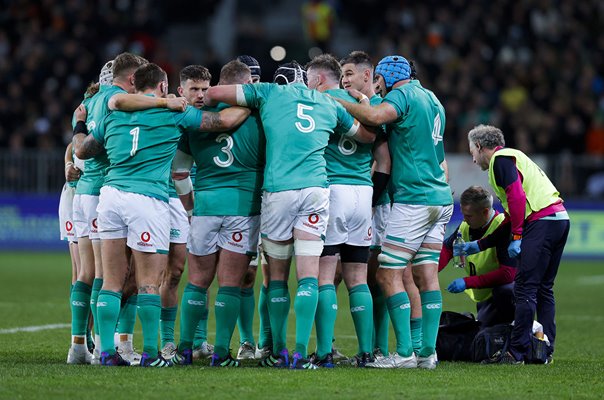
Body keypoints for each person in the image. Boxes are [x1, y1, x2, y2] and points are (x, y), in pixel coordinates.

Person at [74, 62, 250, 367]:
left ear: (134, 86)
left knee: (113, 281)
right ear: (164, 87)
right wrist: (255, 102)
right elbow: (222, 121)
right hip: (147, 199)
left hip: (111, 196)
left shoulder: (113, 113)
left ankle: (105, 353)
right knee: (148, 282)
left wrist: (79, 126)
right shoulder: (173, 113)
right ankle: (153, 354)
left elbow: (84, 150)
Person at [205, 60, 375, 369]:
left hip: (278, 191)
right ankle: (301, 353)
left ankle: (278, 350)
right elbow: (366, 136)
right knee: (309, 276)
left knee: (277, 277)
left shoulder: (269, 93)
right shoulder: (325, 101)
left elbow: (215, 92)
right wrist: (362, 101)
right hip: (316, 191)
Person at [336, 55, 452, 369]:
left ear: (385, 78)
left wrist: (340, 101)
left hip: (414, 197)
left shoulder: (403, 95)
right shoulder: (432, 98)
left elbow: (375, 114)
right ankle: (427, 353)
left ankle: (403, 354)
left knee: (388, 273)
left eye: (379, 81)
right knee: (426, 276)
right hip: (440, 197)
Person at [170, 60, 265, 367]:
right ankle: (222, 352)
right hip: (243, 208)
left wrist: (190, 207)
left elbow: (179, 171)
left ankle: (184, 348)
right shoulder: (257, 117)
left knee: (197, 280)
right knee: (230, 283)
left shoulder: (194, 122)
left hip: (206, 208)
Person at [465, 124, 570, 364]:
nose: (472, 158)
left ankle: (517, 352)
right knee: (544, 288)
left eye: (471, 151)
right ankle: (544, 349)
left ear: (480, 147)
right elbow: (513, 215)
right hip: (559, 218)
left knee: (524, 287)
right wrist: (481, 245)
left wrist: (517, 236)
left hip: (541, 221)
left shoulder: (499, 160)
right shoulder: (514, 157)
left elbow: (517, 197)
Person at [69, 55, 146, 365]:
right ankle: (107, 347)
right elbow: (97, 145)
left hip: (84, 192)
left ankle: (78, 346)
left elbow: (78, 143)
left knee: (86, 273)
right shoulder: (120, 100)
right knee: (114, 273)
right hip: (106, 190)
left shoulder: (91, 100)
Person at [305, 53, 376, 367]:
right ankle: (367, 353)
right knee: (357, 278)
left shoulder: (320, 102)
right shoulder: (364, 104)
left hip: (333, 191)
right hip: (363, 192)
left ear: (319, 78)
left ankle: (324, 353)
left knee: (324, 276)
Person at [340, 50, 397, 359]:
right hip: (361, 203)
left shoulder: (378, 110)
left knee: (376, 277)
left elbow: (383, 162)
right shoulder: (354, 107)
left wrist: (371, 203)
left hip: (378, 203)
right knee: (348, 274)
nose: (345, 79)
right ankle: (360, 348)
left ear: (367, 76)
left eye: (349, 73)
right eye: (342, 75)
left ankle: (379, 348)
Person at [439, 186, 517, 327]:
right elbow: (447, 249)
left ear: (485, 212)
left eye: (468, 216)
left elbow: (507, 274)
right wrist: (429, 272)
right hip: (485, 297)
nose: (464, 219)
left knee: (506, 290)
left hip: (506, 293)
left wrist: (467, 282)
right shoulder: (465, 227)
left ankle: (523, 326)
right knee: (481, 337)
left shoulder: (501, 227)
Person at [235, 54, 265, 360]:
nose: (252, 84)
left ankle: (263, 341)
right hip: (230, 203)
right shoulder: (226, 109)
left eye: (256, 79)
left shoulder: (268, 108)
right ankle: (243, 341)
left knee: (261, 275)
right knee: (240, 275)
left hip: (265, 203)